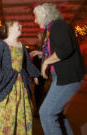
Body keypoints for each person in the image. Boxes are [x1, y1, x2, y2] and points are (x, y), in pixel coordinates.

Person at [31, 3, 86, 135]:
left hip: (68, 77)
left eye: (36, 17)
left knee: (46, 113)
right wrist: (42, 54)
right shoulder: (50, 29)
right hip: (63, 77)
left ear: (44, 15)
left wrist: (46, 63)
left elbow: (66, 48)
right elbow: (56, 50)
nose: (35, 20)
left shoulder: (58, 25)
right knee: (57, 114)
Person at [0, 20, 40, 135]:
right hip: (4, 82)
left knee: (19, 113)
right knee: (1, 112)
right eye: (18, 24)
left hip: (20, 85)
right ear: (9, 29)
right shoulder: (0, 44)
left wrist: (35, 75)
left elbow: (27, 64)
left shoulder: (22, 46)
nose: (21, 25)